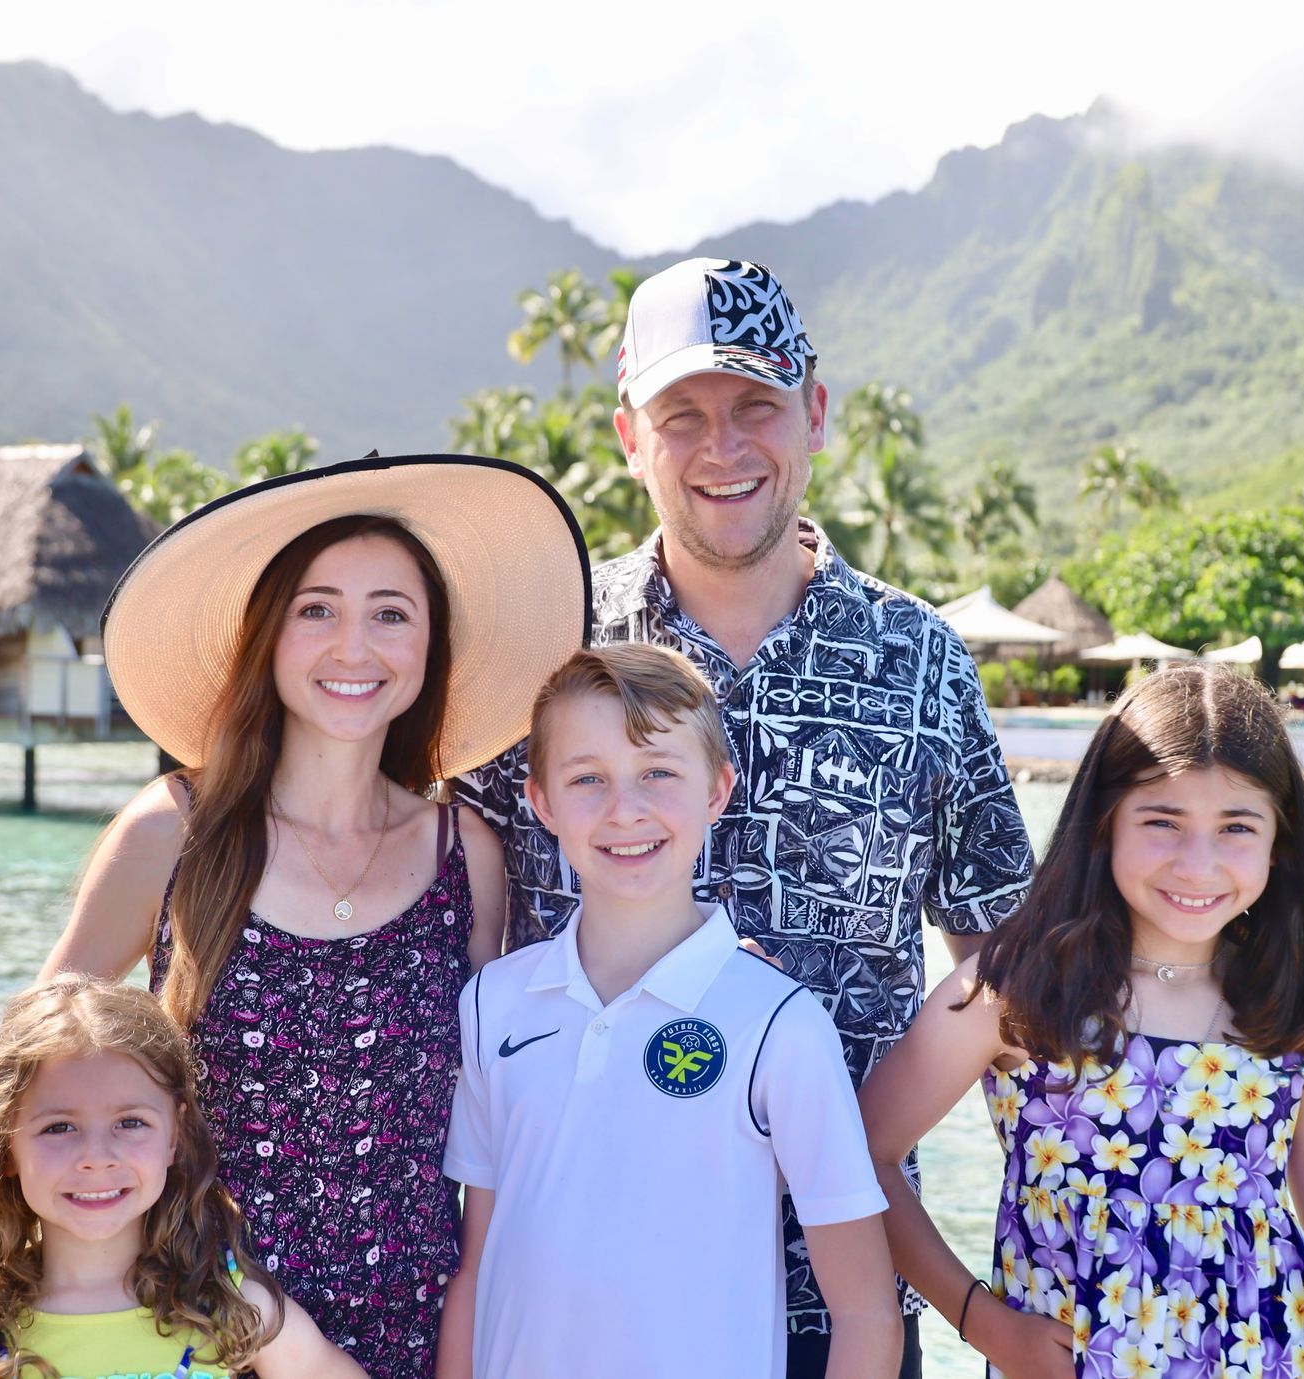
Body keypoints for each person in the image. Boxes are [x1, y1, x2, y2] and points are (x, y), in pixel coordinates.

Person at [458, 257, 1034, 1371]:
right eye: (684, 416)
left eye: (755, 406)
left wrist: (995, 1293)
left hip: (848, 1302)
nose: (723, 447)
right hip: (576, 1295)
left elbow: (1008, 977)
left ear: (814, 412)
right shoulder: (548, 650)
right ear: (630, 434)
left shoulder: (921, 663)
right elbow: (469, 951)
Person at [44, 454, 592, 1378]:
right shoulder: (172, 831)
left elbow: (504, 1116)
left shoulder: (469, 856)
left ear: (429, 647)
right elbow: (29, 1080)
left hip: (414, 1342)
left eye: (391, 613)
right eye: (317, 609)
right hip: (194, 1330)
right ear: (270, 635)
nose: (354, 646)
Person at [859, 663, 1304, 1378]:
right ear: (1104, 823)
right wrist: (984, 1322)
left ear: (1279, 841)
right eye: (1163, 821)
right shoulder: (1021, 991)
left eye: (1236, 826)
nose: (1198, 863)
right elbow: (858, 1157)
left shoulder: (1300, 1009)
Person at [438, 644, 901, 1379]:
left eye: (658, 771)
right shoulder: (494, 1004)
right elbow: (475, 1266)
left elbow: (866, 1312)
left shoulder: (778, 1025)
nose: (627, 809)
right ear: (542, 802)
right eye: (588, 778)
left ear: (717, 790)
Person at [0, 974, 368, 1379]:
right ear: (5, 1144)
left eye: (129, 1123)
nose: (96, 1157)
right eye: (59, 1127)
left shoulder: (230, 1305)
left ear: (174, 1136)